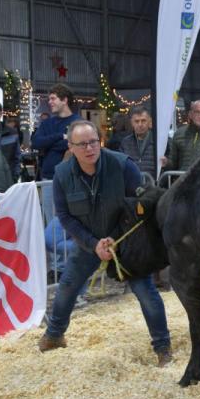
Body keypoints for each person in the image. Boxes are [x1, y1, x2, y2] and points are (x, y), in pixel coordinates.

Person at [37, 120, 172, 366]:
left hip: (127, 243)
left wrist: (119, 238)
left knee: (145, 292)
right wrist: (93, 243)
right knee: (67, 286)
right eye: (82, 144)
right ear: (71, 147)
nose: (89, 148)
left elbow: (141, 207)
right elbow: (65, 216)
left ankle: (163, 347)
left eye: (93, 142)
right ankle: (54, 335)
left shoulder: (122, 166)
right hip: (89, 242)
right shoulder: (62, 175)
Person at [32, 84, 81, 223]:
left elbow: (74, 145)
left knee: (71, 219)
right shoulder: (47, 123)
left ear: (65, 100)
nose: (50, 102)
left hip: (71, 179)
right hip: (48, 178)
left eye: (53, 99)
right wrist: (59, 136)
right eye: (49, 99)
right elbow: (36, 142)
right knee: (52, 221)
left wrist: (49, 145)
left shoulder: (77, 122)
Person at [161, 100, 200, 172]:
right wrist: (166, 163)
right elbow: (173, 163)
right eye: (197, 112)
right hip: (182, 180)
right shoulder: (179, 134)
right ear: (190, 114)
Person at [118, 105, 157, 180]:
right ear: (132, 123)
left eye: (143, 120)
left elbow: (171, 164)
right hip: (132, 186)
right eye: (136, 121)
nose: (140, 124)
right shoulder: (125, 142)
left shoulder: (158, 141)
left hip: (154, 186)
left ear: (150, 121)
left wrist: (167, 162)